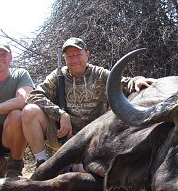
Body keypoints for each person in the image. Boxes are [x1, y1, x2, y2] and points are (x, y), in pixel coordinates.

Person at [22, 37, 155, 168]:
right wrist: (61, 114)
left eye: (78, 55)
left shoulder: (99, 73)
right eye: (69, 56)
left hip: (94, 137)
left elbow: (124, 82)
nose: (74, 60)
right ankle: (41, 163)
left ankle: (76, 163)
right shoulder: (57, 76)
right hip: (63, 134)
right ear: (64, 58)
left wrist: (137, 80)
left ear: (87, 54)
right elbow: (34, 96)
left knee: (81, 172)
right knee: (29, 111)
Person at [0, 42, 34, 181]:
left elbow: (22, 100)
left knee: (17, 114)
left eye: (3, 54)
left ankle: (14, 168)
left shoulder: (20, 74)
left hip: (11, 132)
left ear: (10, 57)